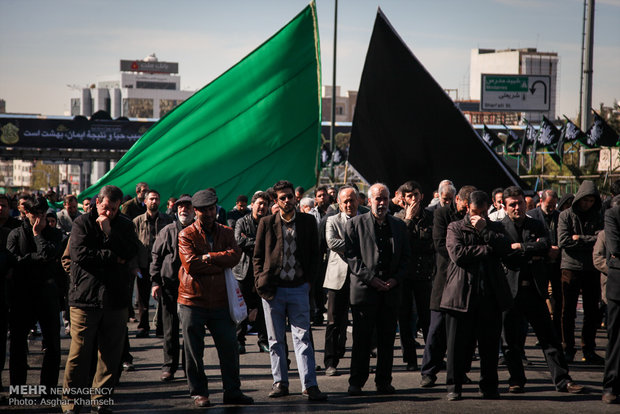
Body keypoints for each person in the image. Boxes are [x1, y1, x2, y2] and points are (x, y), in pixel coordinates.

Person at [62, 185, 139, 413]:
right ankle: (71, 401)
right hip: (85, 299)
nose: (109, 213)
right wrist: (111, 256)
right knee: (79, 354)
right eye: (106, 208)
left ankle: (101, 400)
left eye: (114, 209)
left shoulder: (124, 225)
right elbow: (79, 255)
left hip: (115, 300)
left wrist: (109, 233)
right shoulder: (82, 223)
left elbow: (130, 252)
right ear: (97, 202)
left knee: (110, 355)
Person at [501, 186, 583, 394]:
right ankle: (516, 379)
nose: (517, 207)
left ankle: (563, 380)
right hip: (511, 292)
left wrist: (520, 247)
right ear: (504, 206)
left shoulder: (536, 224)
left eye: (520, 203)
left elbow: (546, 245)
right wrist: (531, 250)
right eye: (512, 204)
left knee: (549, 338)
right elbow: (504, 253)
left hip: (535, 291)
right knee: (511, 341)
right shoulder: (499, 228)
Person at [177, 189, 253, 407]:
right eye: (204, 210)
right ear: (196, 211)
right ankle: (199, 393)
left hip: (221, 301)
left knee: (229, 348)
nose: (209, 213)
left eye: (212, 209)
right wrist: (220, 264)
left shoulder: (227, 232)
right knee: (194, 352)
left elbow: (235, 256)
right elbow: (190, 264)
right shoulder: (186, 234)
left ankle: (233, 391)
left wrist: (210, 257)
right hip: (192, 301)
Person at [253, 180, 327, 401]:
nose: (287, 200)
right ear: (276, 201)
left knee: (303, 338)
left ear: (295, 197)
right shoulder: (266, 223)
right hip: (272, 290)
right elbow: (257, 257)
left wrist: (308, 283)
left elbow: (315, 255)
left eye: (289, 196)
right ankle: (280, 382)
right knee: (275, 341)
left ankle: (309, 384)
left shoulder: (307, 221)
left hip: (298, 289)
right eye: (282, 198)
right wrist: (260, 283)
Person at [441, 190, 512, 401]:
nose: (478, 217)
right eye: (474, 212)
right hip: (460, 296)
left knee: (489, 346)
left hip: (490, 295)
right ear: (466, 208)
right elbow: (458, 254)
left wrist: (485, 232)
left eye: (482, 213)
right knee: (456, 346)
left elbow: (506, 248)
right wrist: (486, 249)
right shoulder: (455, 227)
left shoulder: (495, 227)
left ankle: (489, 386)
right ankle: (454, 386)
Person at [344, 183, 410, 396]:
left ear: (389, 200)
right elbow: (352, 258)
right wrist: (371, 279)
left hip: (390, 292)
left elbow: (406, 259)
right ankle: (356, 382)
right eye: (377, 199)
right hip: (365, 291)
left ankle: (384, 381)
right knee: (362, 341)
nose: (381, 203)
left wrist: (394, 280)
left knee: (387, 340)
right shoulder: (355, 224)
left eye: (384, 199)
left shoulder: (399, 226)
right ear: (368, 200)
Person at [420, 185, 476, 388]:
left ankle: (460, 372)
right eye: (466, 205)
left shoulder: (474, 215)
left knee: (465, 333)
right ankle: (428, 372)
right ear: (458, 200)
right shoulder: (442, 213)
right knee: (436, 329)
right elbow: (439, 244)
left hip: (467, 280)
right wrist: (463, 254)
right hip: (444, 278)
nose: (467, 210)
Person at [7, 196, 64, 392]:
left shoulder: (54, 234)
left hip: (47, 294)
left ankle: (48, 388)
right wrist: (36, 258)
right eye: (34, 215)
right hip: (22, 295)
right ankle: (18, 387)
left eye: (42, 214)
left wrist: (38, 235)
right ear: (27, 214)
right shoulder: (15, 234)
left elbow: (50, 255)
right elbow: (13, 262)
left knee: (52, 345)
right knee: (17, 344)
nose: (38, 219)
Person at [557, 180, 604, 364]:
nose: (587, 204)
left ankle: (589, 349)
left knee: (592, 311)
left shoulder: (598, 216)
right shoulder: (566, 216)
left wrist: (580, 239)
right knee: (567, 311)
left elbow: (602, 239)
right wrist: (590, 240)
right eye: (585, 200)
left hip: (592, 268)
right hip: (570, 268)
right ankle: (567, 348)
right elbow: (564, 241)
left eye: (591, 201)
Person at [150, 195, 194, 381]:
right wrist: (155, 282)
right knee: (170, 330)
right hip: (169, 287)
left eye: (187, 207)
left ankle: (189, 369)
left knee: (190, 330)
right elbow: (156, 257)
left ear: (194, 211)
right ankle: (169, 366)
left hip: (192, 289)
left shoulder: (198, 231)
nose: (183, 210)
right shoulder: (167, 231)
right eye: (180, 207)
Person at [394, 180, 434, 371]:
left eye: (416, 195)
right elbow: (399, 245)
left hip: (425, 274)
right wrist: (408, 221)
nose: (413, 199)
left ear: (422, 196)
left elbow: (433, 245)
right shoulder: (397, 218)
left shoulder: (431, 217)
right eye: (409, 196)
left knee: (428, 318)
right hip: (405, 276)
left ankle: (432, 357)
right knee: (405, 317)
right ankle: (410, 359)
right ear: (403, 199)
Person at [323, 185, 359, 376]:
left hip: (360, 276)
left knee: (361, 320)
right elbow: (332, 243)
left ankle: (359, 362)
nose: (348, 204)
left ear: (358, 200)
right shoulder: (332, 220)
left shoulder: (365, 219)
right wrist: (360, 244)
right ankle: (330, 361)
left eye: (351, 200)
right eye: (344, 201)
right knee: (334, 321)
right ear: (338, 202)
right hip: (337, 277)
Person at [233, 191, 270, 354]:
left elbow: (272, 243)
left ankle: (263, 341)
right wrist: (259, 242)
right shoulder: (242, 221)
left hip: (263, 271)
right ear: (252, 205)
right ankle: (239, 341)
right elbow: (238, 241)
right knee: (241, 307)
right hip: (243, 270)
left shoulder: (269, 222)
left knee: (263, 307)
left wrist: (249, 240)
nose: (262, 207)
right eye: (259, 203)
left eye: (265, 204)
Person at [131, 189, 172, 338]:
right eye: (151, 199)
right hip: (143, 265)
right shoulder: (137, 221)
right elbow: (133, 246)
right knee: (142, 299)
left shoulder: (167, 220)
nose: (154, 202)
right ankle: (143, 326)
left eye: (156, 199)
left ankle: (161, 328)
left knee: (163, 298)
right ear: (146, 201)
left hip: (162, 266)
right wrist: (134, 266)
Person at [528, 189, 562, 337]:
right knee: (541, 298)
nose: (551, 209)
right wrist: (546, 249)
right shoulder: (532, 216)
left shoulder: (559, 216)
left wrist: (558, 248)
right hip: (540, 262)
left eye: (554, 205)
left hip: (556, 262)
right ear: (541, 201)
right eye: (548, 205)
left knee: (557, 297)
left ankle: (555, 331)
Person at [603, 201, 620, 404]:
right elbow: (615, 247)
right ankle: (611, 386)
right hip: (618, 288)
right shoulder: (613, 214)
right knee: (616, 340)